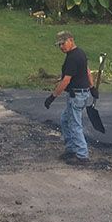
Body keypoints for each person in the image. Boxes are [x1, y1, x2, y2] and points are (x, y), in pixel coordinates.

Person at [44, 31, 95, 164]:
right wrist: (92, 87)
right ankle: (71, 148)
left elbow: (66, 81)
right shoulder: (80, 53)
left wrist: (52, 97)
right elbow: (87, 71)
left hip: (77, 95)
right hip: (81, 93)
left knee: (74, 123)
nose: (61, 47)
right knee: (65, 119)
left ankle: (82, 155)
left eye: (63, 43)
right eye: (59, 44)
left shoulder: (73, 57)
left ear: (71, 40)